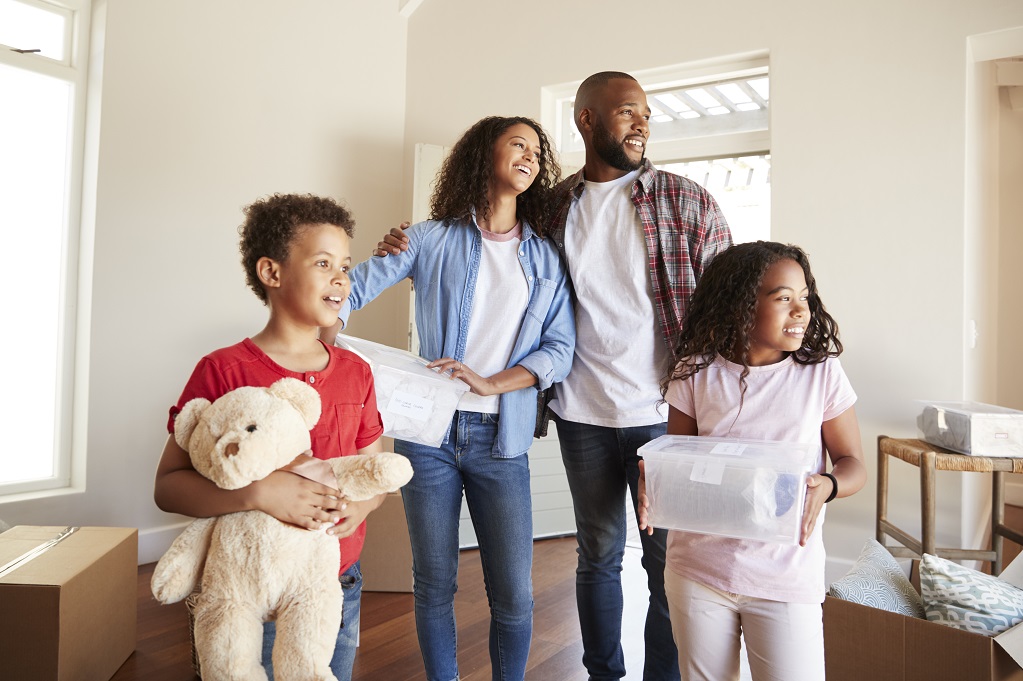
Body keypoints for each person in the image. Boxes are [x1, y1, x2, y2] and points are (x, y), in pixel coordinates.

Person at [375, 71, 732, 681]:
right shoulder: (553, 210)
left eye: (646, 112)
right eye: (626, 111)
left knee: (664, 560)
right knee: (596, 557)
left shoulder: (686, 200)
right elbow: (502, 276)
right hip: (582, 415)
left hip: (664, 417)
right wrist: (406, 246)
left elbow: (729, 303)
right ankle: (603, 674)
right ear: (587, 119)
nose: (642, 123)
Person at [321, 116, 574, 681]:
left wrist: (492, 381)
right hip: (426, 437)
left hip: (500, 440)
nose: (530, 156)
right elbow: (347, 290)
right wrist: (330, 329)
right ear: (484, 155)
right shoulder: (429, 238)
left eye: (537, 150)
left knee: (513, 592)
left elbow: (559, 349)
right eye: (517, 144)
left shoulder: (545, 258)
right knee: (434, 582)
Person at [154, 193, 386, 681]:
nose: (340, 277)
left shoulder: (357, 373)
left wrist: (359, 506)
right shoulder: (221, 370)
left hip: (332, 583)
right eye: (323, 263)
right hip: (244, 586)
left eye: (344, 265)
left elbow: (374, 474)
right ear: (272, 272)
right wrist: (259, 493)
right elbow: (168, 485)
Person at [638, 241, 867, 681]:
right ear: (741, 305)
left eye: (805, 298)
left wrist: (829, 485)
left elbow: (852, 461)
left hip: (784, 577)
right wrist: (658, 480)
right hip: (697, 572)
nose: (801, 311)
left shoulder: (820, 373)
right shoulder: (696, 371)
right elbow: (678, 459)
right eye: (784, 298)